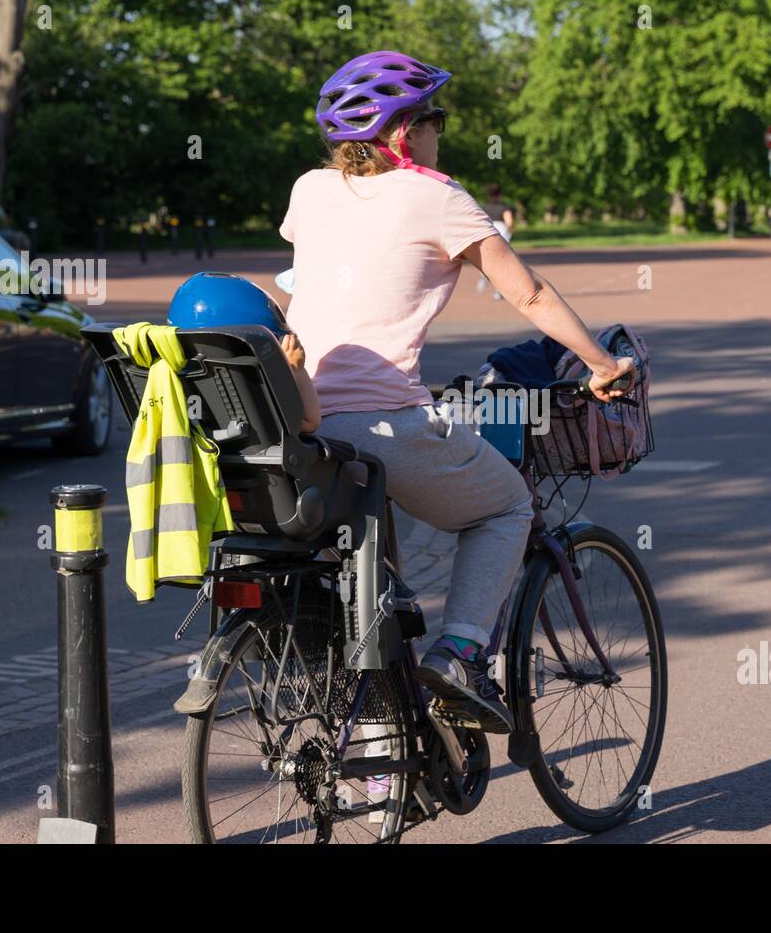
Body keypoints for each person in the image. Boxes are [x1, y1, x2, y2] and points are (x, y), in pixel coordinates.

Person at [282, 50, 634, 733]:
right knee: (506, 507)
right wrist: (600, 364)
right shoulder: (439, 197)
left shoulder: (310, 190)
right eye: (437, 118)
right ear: (405, 133)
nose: (444, 132)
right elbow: (528, 292)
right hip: (383, 423)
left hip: (301, 424)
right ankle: (462, 652)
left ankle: (377, 764)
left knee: (377, 592)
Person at [167, 272, 321, 432]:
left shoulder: (166, 376)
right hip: (255, 455)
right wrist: (296, 370)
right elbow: (310, 422)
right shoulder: (258, 390)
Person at [476, 183, 515, 299]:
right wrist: (510, 231)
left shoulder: (483, 208)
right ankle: (498, 291)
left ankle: (483, 276)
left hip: (486, 235)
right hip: (501, 236)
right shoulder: (504, 208)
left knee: (485, 259)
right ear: (500, 194)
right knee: (501, 264)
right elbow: (509, 222)